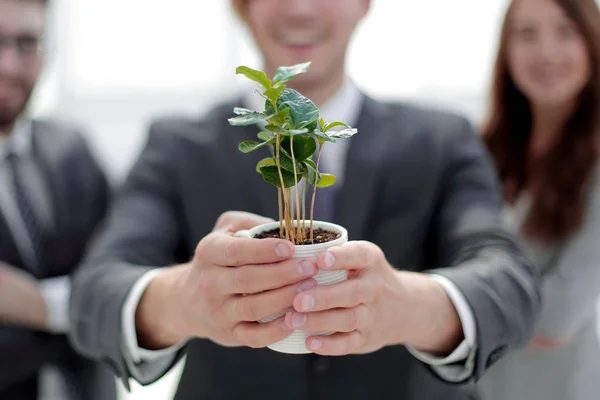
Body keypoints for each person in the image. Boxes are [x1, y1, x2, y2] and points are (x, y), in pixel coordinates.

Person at [69, 1, 541, 399]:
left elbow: (510, 279)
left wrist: (410, 306)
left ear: (364, 3)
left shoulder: (442, 141)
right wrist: (182, 299)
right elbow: (94, 293)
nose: (299, 8)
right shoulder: (176, 147)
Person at [476, 0, 600, 399]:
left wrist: (448, 305)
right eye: (527, 34)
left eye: (565, 32)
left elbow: (557, 317)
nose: (546, 52)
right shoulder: (483, 151)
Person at [0, 0, 115, 399]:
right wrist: (86, 312)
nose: (9, 65)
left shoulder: (72, 150)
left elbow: (124, 267)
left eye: (26, 43)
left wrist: (40, 307)